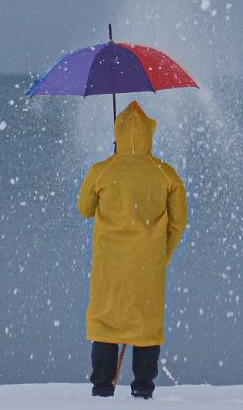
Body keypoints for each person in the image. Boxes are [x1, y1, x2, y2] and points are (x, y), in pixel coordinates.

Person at [77, 100, 187, 398]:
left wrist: (113, 165)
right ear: (150, 133)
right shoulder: (165, 174)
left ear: (119, 133)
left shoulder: (102, 170)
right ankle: (143, 390)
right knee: (146, 324)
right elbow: (179, 221)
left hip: (109, 265)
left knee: (105, 322)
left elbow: (84, 209)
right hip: (147, 265)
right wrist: (162, 252)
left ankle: (101, 388)